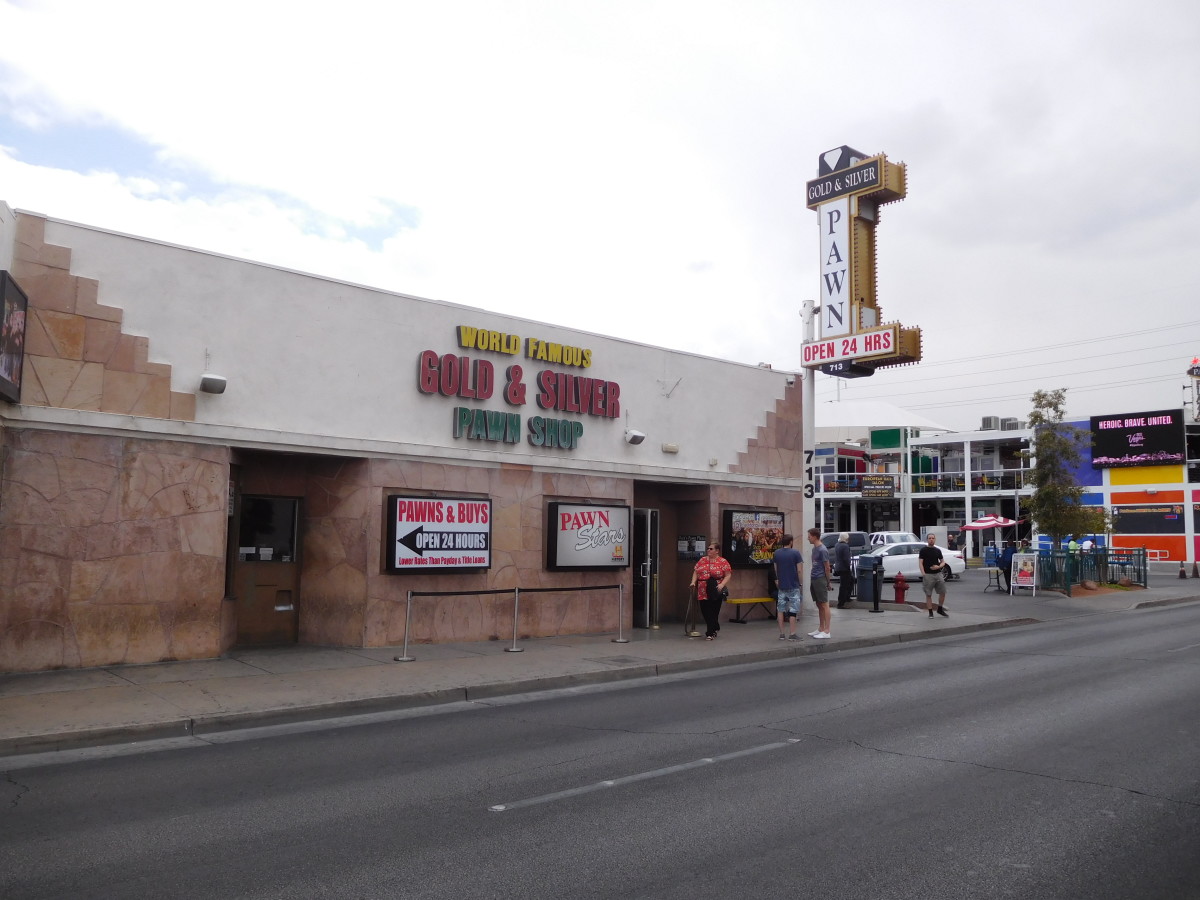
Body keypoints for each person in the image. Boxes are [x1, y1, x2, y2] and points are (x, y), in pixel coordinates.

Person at [691, 541, 732, 641]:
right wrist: (693, 582)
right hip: (702, 588)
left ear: (717, 551)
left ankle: (710, 632)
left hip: (715, 588)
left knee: (713, 610)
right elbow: (696, 571)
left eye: (711, 549)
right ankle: (715, 626)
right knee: (705, 610)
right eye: (708, 548)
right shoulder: (702, 560)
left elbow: (728, 574)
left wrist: (722, 584)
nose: (708, 550)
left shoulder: (723, 561)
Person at [772, 534, 803, 641]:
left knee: (780, 609)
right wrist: (800, 582)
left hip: (782, 585)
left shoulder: (777, 553)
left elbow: (775, 569)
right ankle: (792, 633)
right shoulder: (796, 553)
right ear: (790, 542)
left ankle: (781, 634)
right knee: (793, 609)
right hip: (793, 584)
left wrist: (778, 580)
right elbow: (799, 570)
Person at [805, 528, 833, 639]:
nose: (808, 538)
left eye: (809, 536)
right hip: (814, 578)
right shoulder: (814, 549)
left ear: (815, 536)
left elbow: (827, 567)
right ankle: (821, 628)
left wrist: (828, 581)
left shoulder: (822, 550)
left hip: (821, 578)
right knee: (818, 603)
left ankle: (827, 630)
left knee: (824, 604)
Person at [918, 533, 949, 617]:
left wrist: (938, 566)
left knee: (942, 592)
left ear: (935, 539)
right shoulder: (923, 550)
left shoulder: (937, 550)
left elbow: (943, 562)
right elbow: (920, 563)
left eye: (933, 538)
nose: (931, 539)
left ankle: (940, 609)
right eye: (929, 538)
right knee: (928, 594)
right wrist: (923, 574)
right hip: (928, 575)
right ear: (927, 540)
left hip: (938, 574)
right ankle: (930, 612)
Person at [833, 532, 855, 609]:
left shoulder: (837, 545)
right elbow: (846, 558)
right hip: (844, 568)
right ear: (846, 538)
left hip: (839, 567)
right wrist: (848, 566)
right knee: (845, 585)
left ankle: (846, 598)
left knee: (849, 581)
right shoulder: (845, 546)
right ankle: (841, 602)